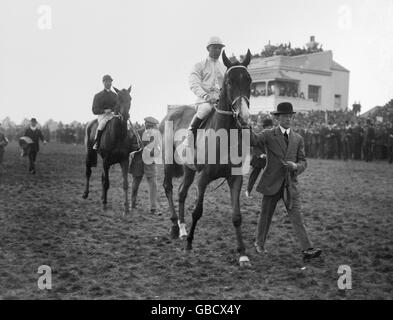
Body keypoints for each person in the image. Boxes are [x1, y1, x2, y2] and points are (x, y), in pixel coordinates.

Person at [251, 102, 322, 261]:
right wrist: (244, 126)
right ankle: (259, 243)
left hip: (290, 184)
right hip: (271, 183)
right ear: (277, 118)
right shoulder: (269, 134)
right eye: (284, 116)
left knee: (297, 217)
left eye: (290, 116)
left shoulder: (298, 138)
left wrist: (295, 166)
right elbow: (254, 141)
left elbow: (304, 162)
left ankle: (307, 249)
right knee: (265, 215)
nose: (288, 119)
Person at [187, 36, 226, 147]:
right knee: (205, 109)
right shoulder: (199, 65)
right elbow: (194, 84)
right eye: (215, 47)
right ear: (208, 48)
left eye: (220, 48)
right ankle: (189, 138)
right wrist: (206, 96)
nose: (218, 50)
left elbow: (226, 86)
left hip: (220, 101)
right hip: (204, 100)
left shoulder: (224, 68)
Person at [130, 117, 161, 215]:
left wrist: (150, 151)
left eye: (153, 127)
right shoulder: (137, 133)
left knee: (153, 185)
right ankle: (133, 204)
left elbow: (158, 149)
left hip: (150, 163)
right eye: (151, 126)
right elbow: (130, 146)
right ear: (147, 124)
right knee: (135, 184)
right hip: (138, 162)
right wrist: (138, 148)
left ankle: (153, 209)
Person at [245, 118, 273, 198]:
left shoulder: (273, 137)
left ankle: (269, 192)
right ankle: (248, 191)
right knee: (254, 176)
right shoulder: (261, 135)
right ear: (265, 127)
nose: (270, 128)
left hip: (267, 160)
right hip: (258, 159)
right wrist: (261, 155)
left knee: (269, 175)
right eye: (268, 127)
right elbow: (255, 147)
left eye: (271, 127)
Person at [92, 75, 118, 150]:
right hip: (102, 115)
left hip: (113, 114)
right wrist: (104, 111)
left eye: (110, 81)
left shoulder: (115, 95)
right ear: (103, 82)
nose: (109, 83)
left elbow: (117, 107)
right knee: (102, 125)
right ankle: (97, 142)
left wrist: (113, 110)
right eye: (107, 81)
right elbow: (94, 110)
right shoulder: (98, 96)